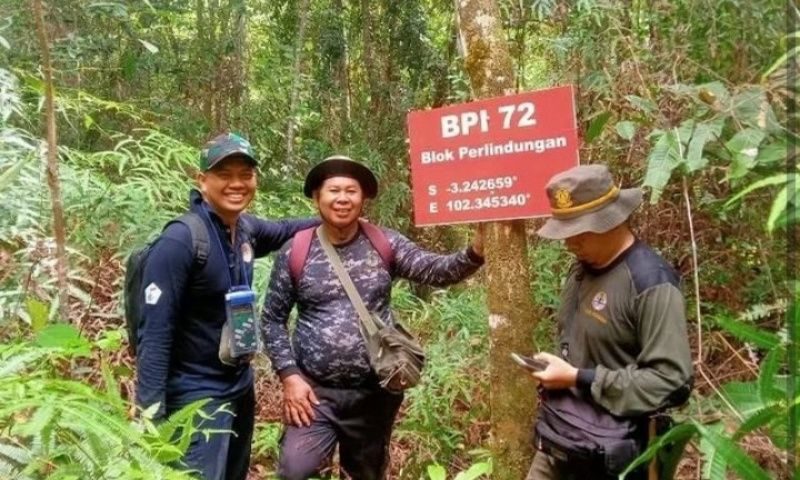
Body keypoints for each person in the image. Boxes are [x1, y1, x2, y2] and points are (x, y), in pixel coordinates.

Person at [261, 155, 485, 480]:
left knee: (365, 473)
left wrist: (475, 252)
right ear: (317, 197)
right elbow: (271, 319)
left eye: (351, 191)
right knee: (296, 471)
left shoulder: (385, 243)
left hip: (373, 395)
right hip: (313, 393)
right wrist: (289, 376)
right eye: (333, 190)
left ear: (363, 198)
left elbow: (435, 271)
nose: (342, 199)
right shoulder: (295, 250)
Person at [134, 132, 318, 480]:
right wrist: (151, 415)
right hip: (194, 395)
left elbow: (286, 229)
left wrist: (336, 212)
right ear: (202, 180)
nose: (237, 184)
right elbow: (155, 335)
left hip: (238, 385)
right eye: (224, 174)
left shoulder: (243, 229)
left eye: (245, 175)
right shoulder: (181, 241)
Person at [525, 164, 693, 480]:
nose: (569, 243)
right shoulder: (581, 269)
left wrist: (579, 377)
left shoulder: (650, 282)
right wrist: (558, 370)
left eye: (578, 233)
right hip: (564, 432)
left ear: (611, 221)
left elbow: (672, 383)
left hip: (617, 451)